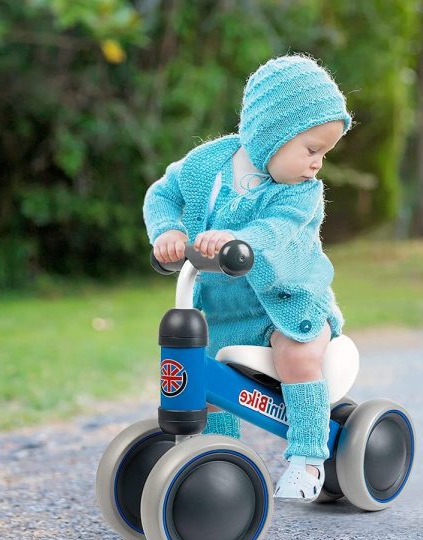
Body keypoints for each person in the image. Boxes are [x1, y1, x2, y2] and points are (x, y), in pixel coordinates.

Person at [143, 53, 352, 501]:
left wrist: (241, 241)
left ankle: (308, 457)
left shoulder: (301, 193)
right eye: (311, 149)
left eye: (324, 155)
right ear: (272, 131)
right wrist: (168, 232)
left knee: (295, 356)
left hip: (288, 302)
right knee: (207, 381)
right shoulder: (207, 165)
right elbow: (163, 193)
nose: (317, 164)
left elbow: (274, 232)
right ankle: (221, 462)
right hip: (223, 308)